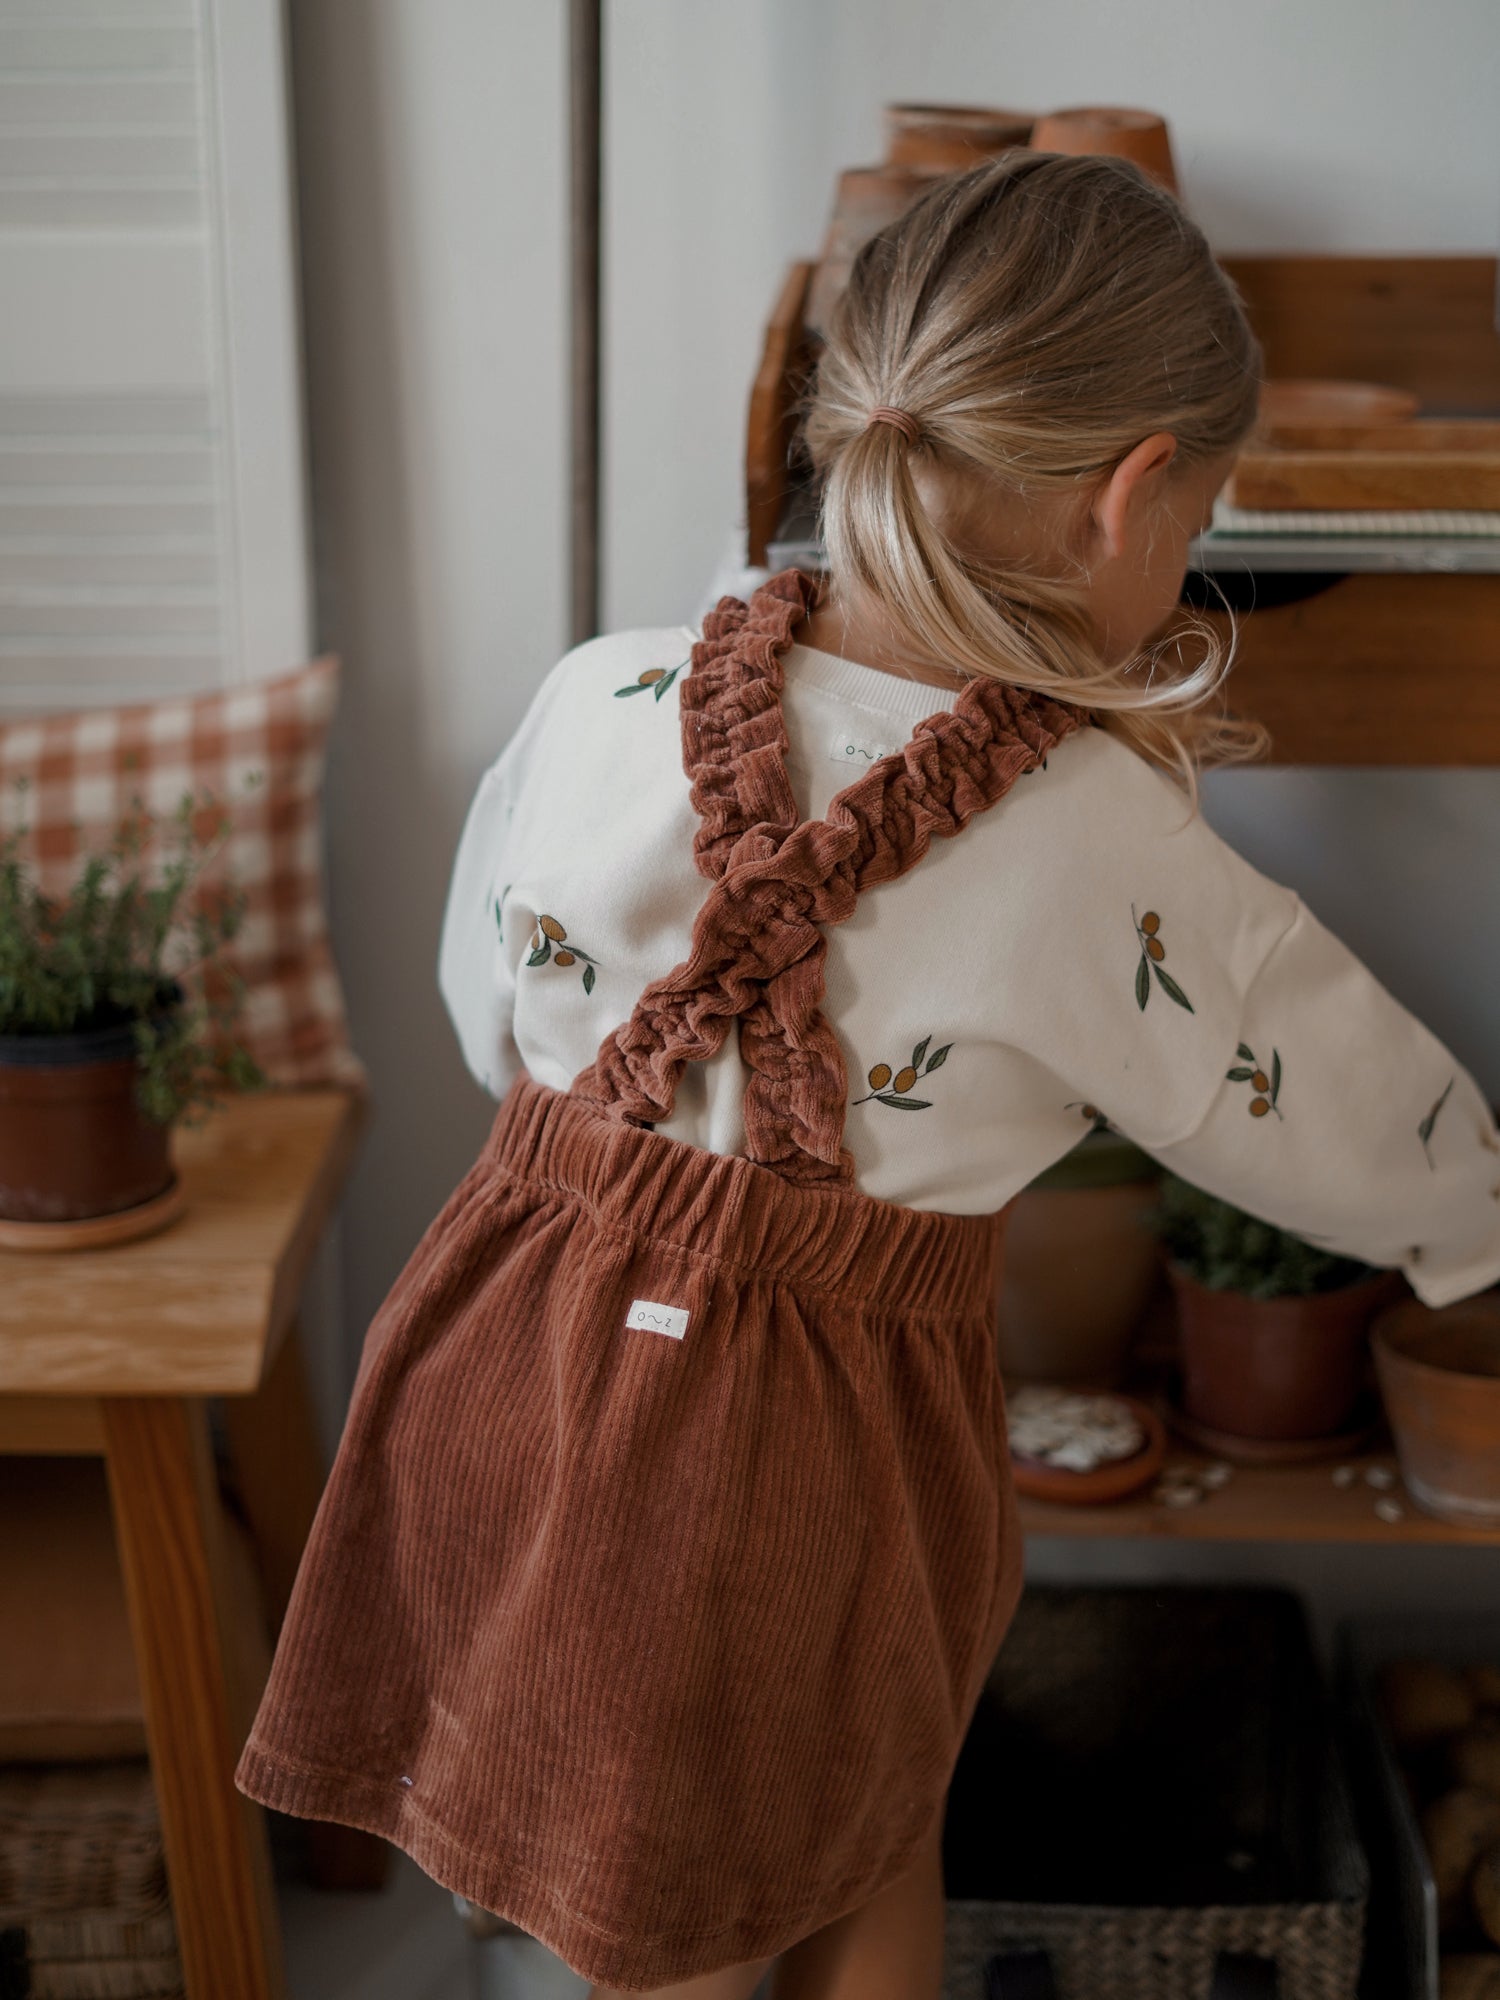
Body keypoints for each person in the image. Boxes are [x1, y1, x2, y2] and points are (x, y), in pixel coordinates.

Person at [235, 154, 1500, 2000]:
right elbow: (1323, 1093)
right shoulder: (1087, 841)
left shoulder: (600, 688)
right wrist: (1476, 1226)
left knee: (684, 1868)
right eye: (1202, 520)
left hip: (505, 1327)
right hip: (800, 1431)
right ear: (1135, 496)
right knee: (824, 1830)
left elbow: (482, 998)